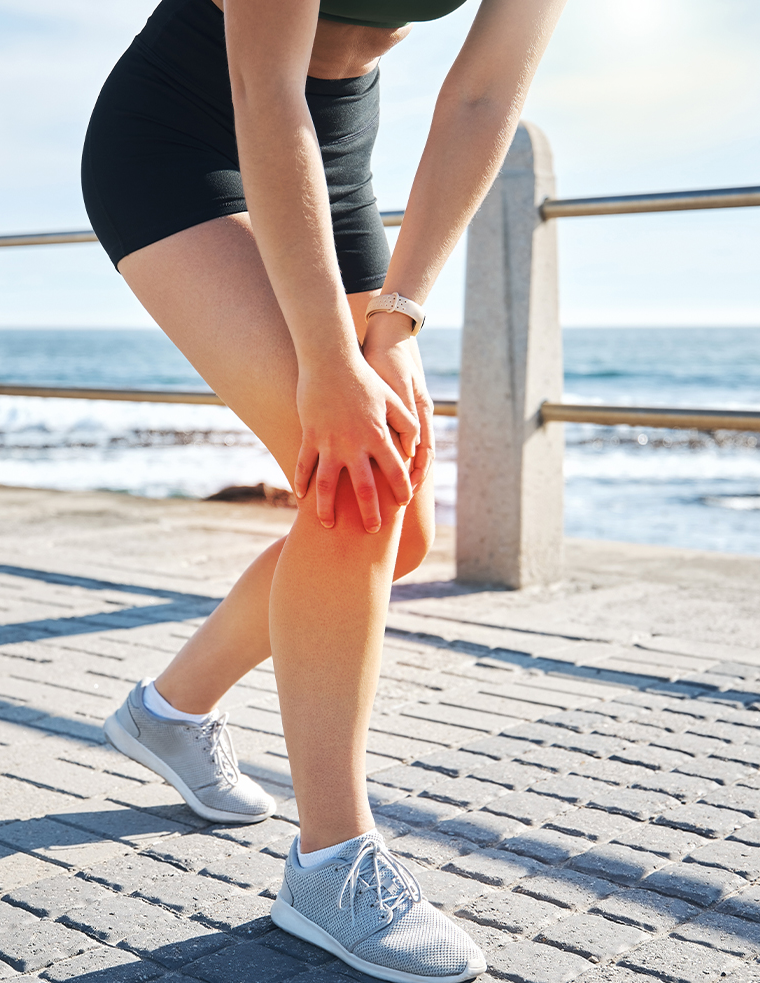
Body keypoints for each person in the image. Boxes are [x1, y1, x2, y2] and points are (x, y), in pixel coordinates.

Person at [82, 0, 565, 979]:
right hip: (185, 131)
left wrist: (400, 318)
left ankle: (169, 711)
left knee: (404, 532)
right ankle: (331, 862)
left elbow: (480, 97)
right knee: (357, 487)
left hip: (338, 148)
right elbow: (265, 87)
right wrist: (325, 359)